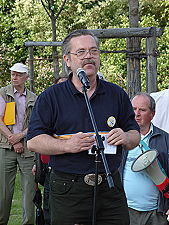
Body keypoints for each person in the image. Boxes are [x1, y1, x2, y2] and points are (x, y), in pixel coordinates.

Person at [27, 29, 140, 225]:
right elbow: (34, 141)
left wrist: (126, 137)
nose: (88, 56)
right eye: (80, 52)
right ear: (67, 60)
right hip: (68, 188)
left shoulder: (116, 94)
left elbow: (134, 135)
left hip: (110, 187)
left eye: (94, 51)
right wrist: (66, 146)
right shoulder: (51, 97)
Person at [120, 93, 169, 225]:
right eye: (134, 109)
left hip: (157, 213)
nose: (137, 114)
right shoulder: (121, 138)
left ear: (152, 114)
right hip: (126, 210)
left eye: (142, 110)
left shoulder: (165, 139)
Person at [0, 63, 37, 225]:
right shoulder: (2, 93)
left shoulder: (34, 98)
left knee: (29, 191)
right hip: (6, 147)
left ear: (26, 77)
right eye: (12, 74)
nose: (14, 77)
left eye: (18, 75)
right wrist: (13, 139)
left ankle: (28, 223)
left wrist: (20, 137)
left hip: (28, 150)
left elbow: (36, 123)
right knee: (3, 191)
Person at [32, 75, 68, 225]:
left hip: (68, 167)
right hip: (48, 167)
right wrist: (37, 163)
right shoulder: (49, 108)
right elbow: (38, 139)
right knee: (48, 207)